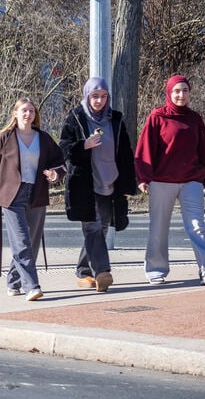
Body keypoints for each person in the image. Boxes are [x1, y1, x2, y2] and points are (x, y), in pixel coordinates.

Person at [0, 98, 65, 301]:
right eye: (24, 111)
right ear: (16, 114)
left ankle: (13, 281)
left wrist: (56, 174)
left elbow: (60, 162)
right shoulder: (5, 138)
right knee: (21, 242)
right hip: (11, 197)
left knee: (32, 244)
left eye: (31, 111)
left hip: (36, 193)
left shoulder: (43, 138)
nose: (28, 114)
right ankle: (32, 286)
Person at [135, 75, 205, 286]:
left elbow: (203, 152)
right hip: (162, 181)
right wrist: (144, 177)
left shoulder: (195, 119)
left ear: (190, 93)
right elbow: (144, 149)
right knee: (159, 228)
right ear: (169, 93)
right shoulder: (157, 117)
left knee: (197, 225)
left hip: (191, 181)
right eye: (177, 91)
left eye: (185, 91)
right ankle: (156, 270)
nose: (181, 95)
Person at [59, 77, 137, 293]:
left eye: (103, 96)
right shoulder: (76, 117)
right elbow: (63, 148)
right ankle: (102, 272)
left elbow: (125, 152)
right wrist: (84, 145)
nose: (99, 101)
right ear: (87, 96)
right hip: (85, 183)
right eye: (95, 96)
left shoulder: (116, 119)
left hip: (109, 181)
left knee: (100, 229)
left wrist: (128, 183)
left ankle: (83, 270)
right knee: (92, 227)